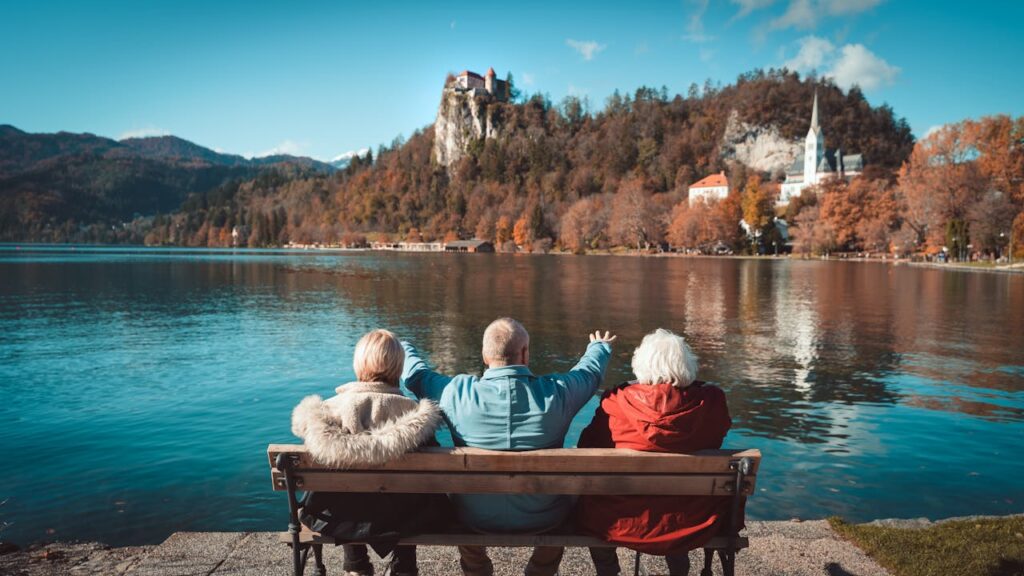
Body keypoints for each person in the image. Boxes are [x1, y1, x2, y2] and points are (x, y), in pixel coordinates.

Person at [400, 318, 616, 576]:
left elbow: (416, 375)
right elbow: (589, 373)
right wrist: (599, 347)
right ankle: (540, 570)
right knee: (567, 499)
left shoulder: (453, 393)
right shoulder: (558, 393)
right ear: (525, 354)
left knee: (459, 500)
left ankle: (477, 569)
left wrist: (402, 346)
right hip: (545, 519)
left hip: (473, 517)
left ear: (484, 354)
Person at [575, 329, 732, 576]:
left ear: (641, 364)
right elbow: (718, 437)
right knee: (674, 500)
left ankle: (608, 571)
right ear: (687, 365)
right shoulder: (712, 402)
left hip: (616, 520)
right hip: (690, 520)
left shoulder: (616, 401)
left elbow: (586, 448)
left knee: (594, 506)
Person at [291, 329, 447, 576]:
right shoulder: (416, 414)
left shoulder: (327, 411)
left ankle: (356, 566)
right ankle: (404, 567)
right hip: (405, 517)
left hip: (340, 516)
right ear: (398, 367)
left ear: (359, 363)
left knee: (345, 490)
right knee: (413, 493)